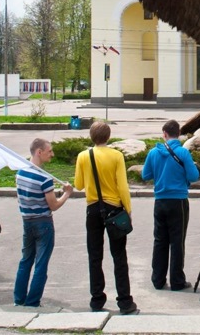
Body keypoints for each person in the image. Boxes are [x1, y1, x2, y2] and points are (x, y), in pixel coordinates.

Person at [73, 121, 139, 315]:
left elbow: (78, 184)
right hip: (114, 209)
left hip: (92, 209)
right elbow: (122, 187)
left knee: (95, 256)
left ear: (91, 137)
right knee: (119, 256)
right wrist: (128, 209)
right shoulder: (116, 156)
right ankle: (125, 302)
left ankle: (96, 299)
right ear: (108, 137)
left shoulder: (83, 156)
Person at [141, 120, 200, 291]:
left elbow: (146, 175)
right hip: (179, 201)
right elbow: (194, 176)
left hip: (160, 201)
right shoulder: (183, 153)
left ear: (164, 134)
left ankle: (158, 279)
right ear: (179, 133)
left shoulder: (153, 153)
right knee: (177, 241)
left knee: (160, 240)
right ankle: (177, 280)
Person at [13, 138, 73, 307]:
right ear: (39, 152)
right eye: (49, 151)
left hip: (27, 220)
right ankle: (32, 301)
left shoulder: (20, 173)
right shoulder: (44, 179)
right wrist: (67, 194)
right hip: (43, 223)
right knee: (41, 264)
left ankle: (19, 298)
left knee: (25, 260)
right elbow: (53, 205)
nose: (52, 154)